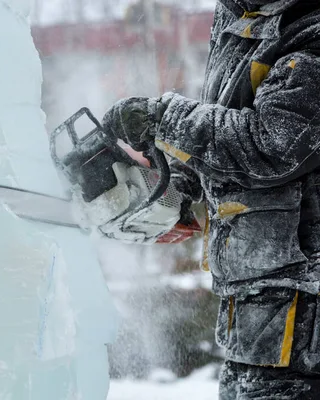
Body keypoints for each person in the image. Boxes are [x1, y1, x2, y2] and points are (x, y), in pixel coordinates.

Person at [98, 0, 320, 398]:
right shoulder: (238, 13)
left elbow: (273, 143)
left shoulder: (312, 28)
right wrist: (182, 187)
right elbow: (228, 116)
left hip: (304, 305)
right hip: (254, 300)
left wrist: (163, 119)